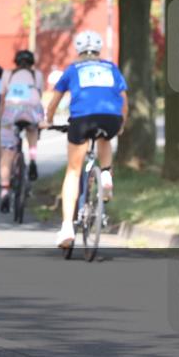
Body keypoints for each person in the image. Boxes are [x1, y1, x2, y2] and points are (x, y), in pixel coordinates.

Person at [44, 30, 128, 249]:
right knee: (104, 137)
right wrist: (121, 124)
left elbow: (54, 101)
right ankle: (107, 174)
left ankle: (66, 229)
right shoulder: (111, 68)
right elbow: (123, 99)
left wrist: (49, 120)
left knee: (73, 171)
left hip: (82, 119)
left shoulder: (73, 69)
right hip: (111, 117)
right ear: (99, 50)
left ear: (78, 50)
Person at [0, 50, 45, 213]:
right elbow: (39, 94)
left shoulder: (7, 74)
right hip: (32, 107)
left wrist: (0, 117)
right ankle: (32, 159)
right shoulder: (37, 74)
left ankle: (4, 190)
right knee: (32, 129)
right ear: (32, 62)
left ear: (15, 62)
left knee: (7, 152)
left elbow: (2, 97)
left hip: (12, 108)